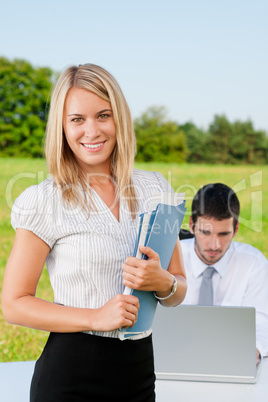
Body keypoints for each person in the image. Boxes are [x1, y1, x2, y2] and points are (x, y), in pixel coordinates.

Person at [1, 64, 187, 402]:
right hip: (71, 374)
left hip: (139, 374)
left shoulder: (155, 187)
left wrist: (163, 282)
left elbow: (178, 290)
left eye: (104, 115)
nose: (92, 130)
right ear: (62, 126)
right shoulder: (43, 200)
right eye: (77, 119)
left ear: (120, 119)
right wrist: (97, 317)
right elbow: (14, 305)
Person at [180, 183, 268, 362]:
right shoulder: (170, 259)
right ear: (191, 225)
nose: (214, 245)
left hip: (232, 360)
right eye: (206, 232)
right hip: (177, 355)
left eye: (223, 234)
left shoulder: (253, 263)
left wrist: (253, 351)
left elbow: (262, 322)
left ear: (235, 230)